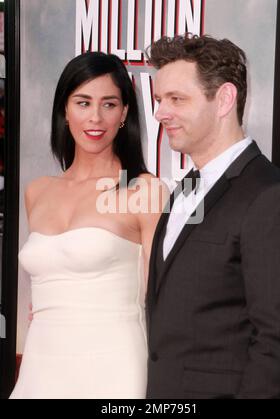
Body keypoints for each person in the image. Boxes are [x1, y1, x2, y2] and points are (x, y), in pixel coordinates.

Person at [145, 34, 280, 399]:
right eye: (158, 100)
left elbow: (279, 343)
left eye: (176, 99)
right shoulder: (184, 189)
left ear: (225, 100)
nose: (159, 113)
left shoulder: (270, 196)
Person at [10, 52, 167, 399]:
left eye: (109, 104)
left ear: (125, 113)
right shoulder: (37, 192)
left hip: (114, 369)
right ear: (64, 110)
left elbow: (161, 300)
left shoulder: (145, 190)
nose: (96, 117)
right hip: (41, 367)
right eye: (83, 102)